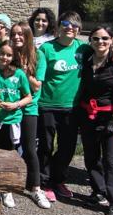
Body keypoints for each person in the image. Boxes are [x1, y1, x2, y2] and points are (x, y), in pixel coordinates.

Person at [36, 11, 90, 201]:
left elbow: (105, 53)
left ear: (79, 29)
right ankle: (43, 182)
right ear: (58, 27)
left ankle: (58, 180)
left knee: (67, 147)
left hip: (71, 108)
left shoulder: (84, 49)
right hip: (47, 105)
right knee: (45, 146)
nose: (70, 27)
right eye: (65, 23)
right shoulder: (46, 49)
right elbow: (38, 76)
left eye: (74, 25)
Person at [78, 26, 113, 215]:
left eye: (105, 38)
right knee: (91, 157)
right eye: (96, 39)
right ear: (90, 41)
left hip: (110, 115)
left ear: (112, 40)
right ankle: (98, 191)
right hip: (88, 115)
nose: (101, 42)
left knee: (111, 159)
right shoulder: (86, 60)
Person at [0, 42, 32, 208]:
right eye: (2, 53)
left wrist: (15, 105)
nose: (5, 57)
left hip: (11, 121)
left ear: (14, 57)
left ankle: (7, 188)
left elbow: (28, 96)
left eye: (9, 55)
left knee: (10, 153)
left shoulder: (19, 74)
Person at [10, 22, 51, 209]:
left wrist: (25, 71)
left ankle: (35, 187)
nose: (17, 37)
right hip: (9, 106)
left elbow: (36, 86)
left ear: (27, 36)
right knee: (8, 146)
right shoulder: (9, 53)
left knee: (29, 147)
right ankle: (7, 185)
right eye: (14, 34)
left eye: (21, 34)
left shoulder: (38, 55)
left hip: (28, 108)